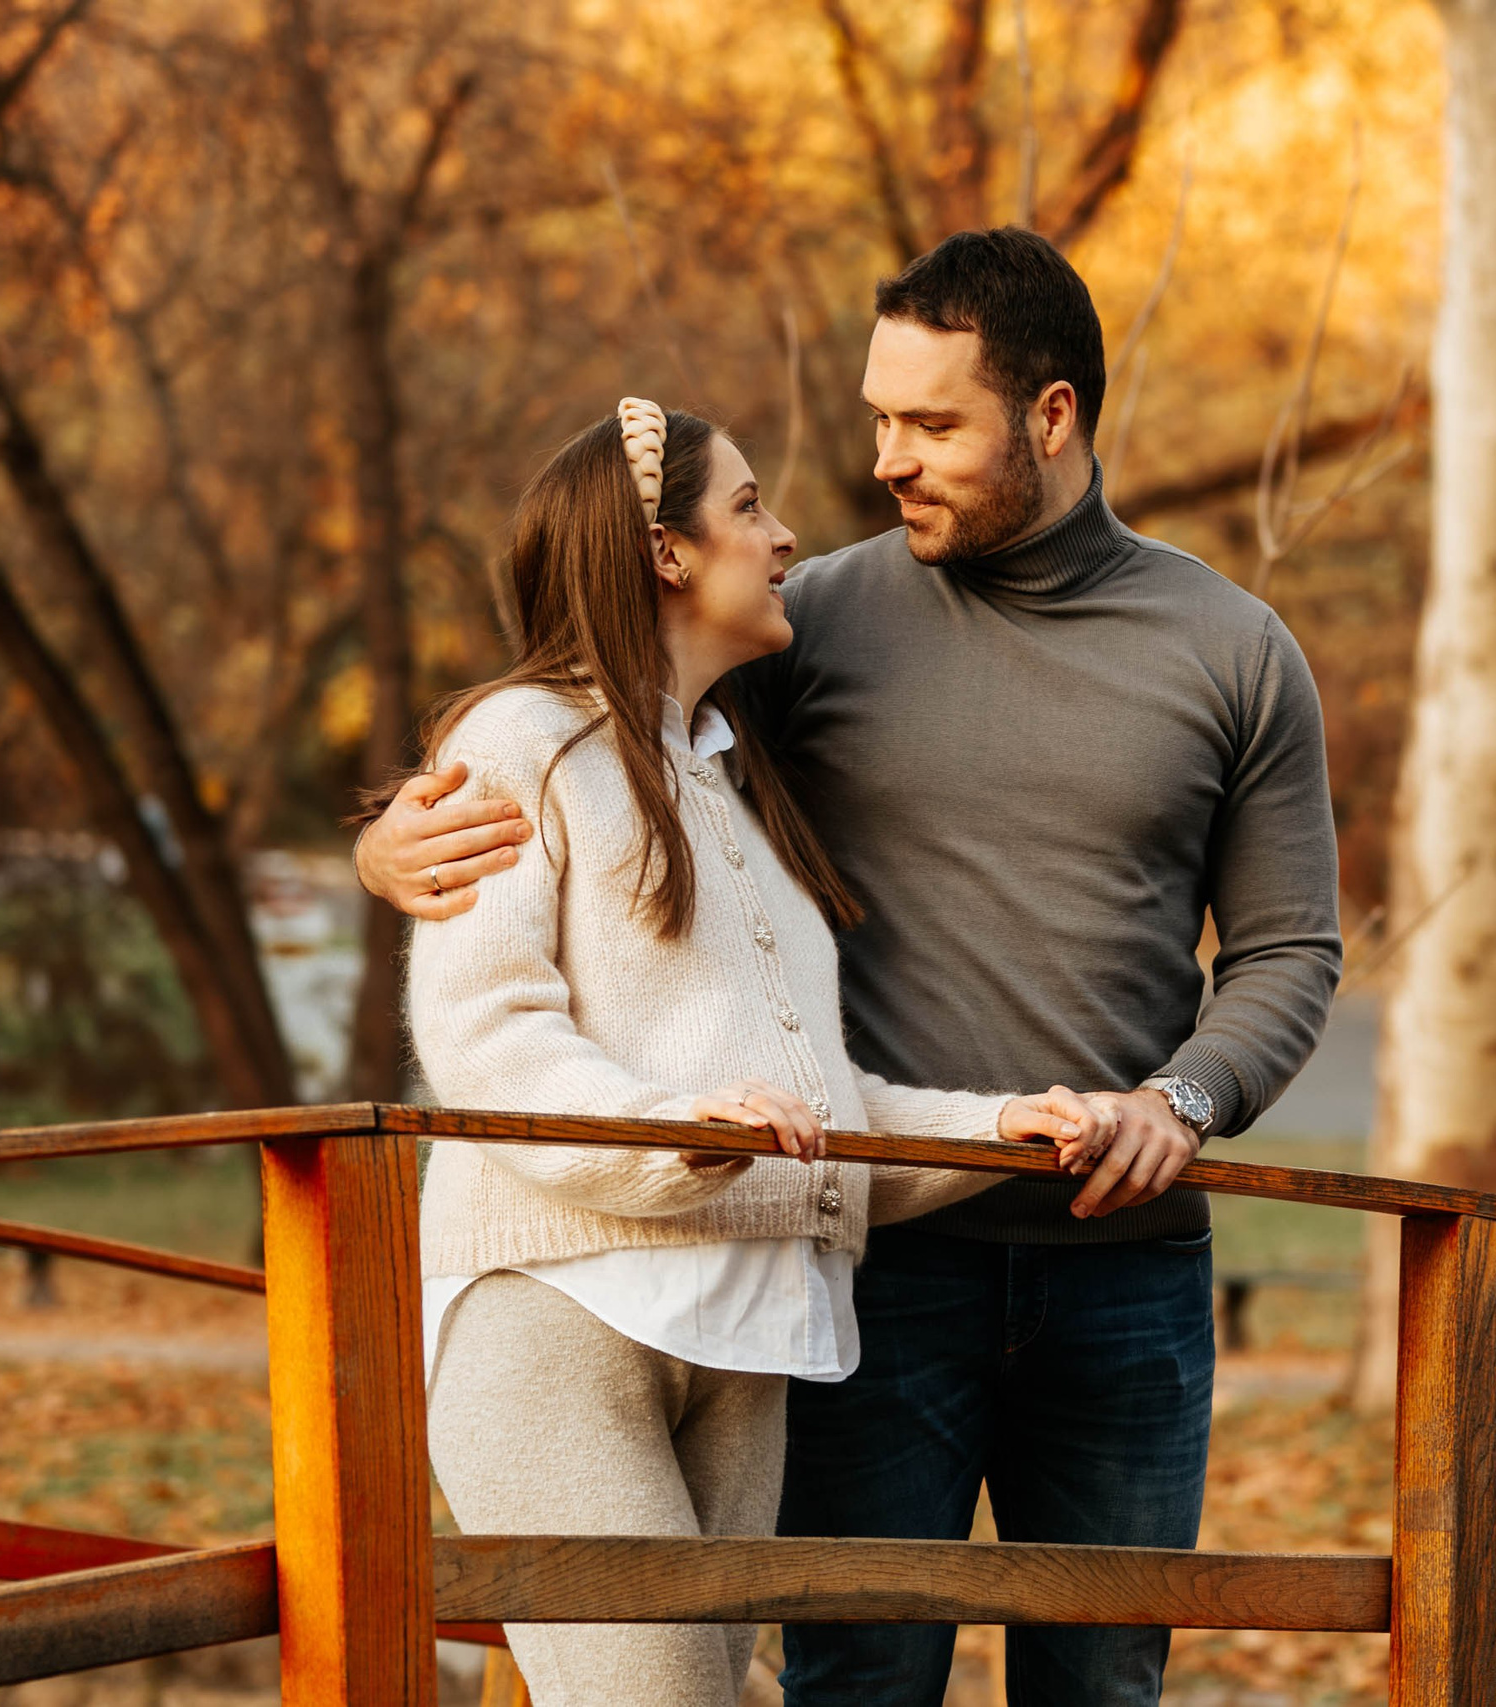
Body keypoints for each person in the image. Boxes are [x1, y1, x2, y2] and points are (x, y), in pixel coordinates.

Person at [365, 229, 1344, 1707]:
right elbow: (590, 720)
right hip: (873, 1264)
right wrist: (391, 844)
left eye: (933, 424)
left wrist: (1185, 1101)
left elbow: (1288, 952)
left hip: (1124, 1272)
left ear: (1054, 416)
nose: (887, 458)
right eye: (882, 417)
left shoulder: (1236, 650)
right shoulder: (811, 621)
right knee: (852, 1686)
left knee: (1102, 1691)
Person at [405, 395, 1116, 1707]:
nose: (785, 535)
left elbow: (816, 1113)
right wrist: (684, 1129)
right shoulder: (518, 739)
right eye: (749, 508)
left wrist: (1005, 1128)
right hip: (563, 1314)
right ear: (667, 552)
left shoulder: (730, 781)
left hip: (745, 1343)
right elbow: (481, 1037)